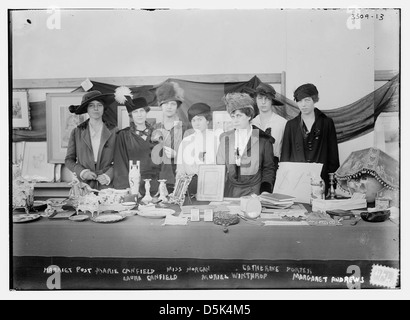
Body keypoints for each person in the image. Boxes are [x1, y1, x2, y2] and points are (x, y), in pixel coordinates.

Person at [281, 83, 340, 193]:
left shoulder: (326, 123)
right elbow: (285, 157)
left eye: (307, 100)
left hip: (321, 182)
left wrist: (332, 186)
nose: (303, 104)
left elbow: (333, 156)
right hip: (296, 182)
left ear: (314, 100)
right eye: (299, 101)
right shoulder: (291, 125)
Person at [216, 92, 276, 197]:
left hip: (254, 192)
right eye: (233, 116)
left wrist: (265, 191)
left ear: (249, 115)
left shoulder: (263, 140)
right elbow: (220, 168)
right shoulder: (225, 138)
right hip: (230, 192)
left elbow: (268, 169)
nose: (235, 120)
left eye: (239, 116)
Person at [65, 90, 118, 190]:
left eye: (99, 105)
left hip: (107, 187)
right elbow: (69, 160)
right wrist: (83, 172)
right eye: (91, 105)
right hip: (84, 187)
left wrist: (108, 176)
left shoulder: (115, 131)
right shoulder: (77, 132)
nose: (96, 108)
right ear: (87, 109)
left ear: (103, 108)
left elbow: (120, 160)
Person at [113, 97, 160, 195]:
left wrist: (162, 186)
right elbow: (120, 163)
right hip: (134, 185)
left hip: (155, 185)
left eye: (141, 111)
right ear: (130, 115)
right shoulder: (123, 135)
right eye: (135, 112)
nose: (139, 115)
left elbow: (163, 162)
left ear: (146, 112)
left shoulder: (157, 133)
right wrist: (128, 188)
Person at [151, 81, 187, 193]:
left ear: (177, 106)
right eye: (166, 103)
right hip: (157, 180)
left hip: (179, 179)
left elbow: (192, 157)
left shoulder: (185, 128)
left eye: (173, 103)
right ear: (160, 105)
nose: (169, 107)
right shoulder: (153, 128)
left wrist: (177, 155)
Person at [176, 102, 219, 195]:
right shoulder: (186, 142)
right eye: (193, 120)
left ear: (207, 120)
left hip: (213, 186)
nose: (196, 123)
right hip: (191, 186)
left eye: (200, 119)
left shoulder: (217, 139)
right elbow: (180, 170)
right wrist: (178, 193)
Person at [251, 82, 287, 187]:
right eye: (260, 98)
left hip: (276, 168)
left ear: (272, 101)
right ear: (256, 100)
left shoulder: (282, 123)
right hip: (254, 170)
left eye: (267, 99)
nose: (263, 102)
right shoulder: (251, 123)